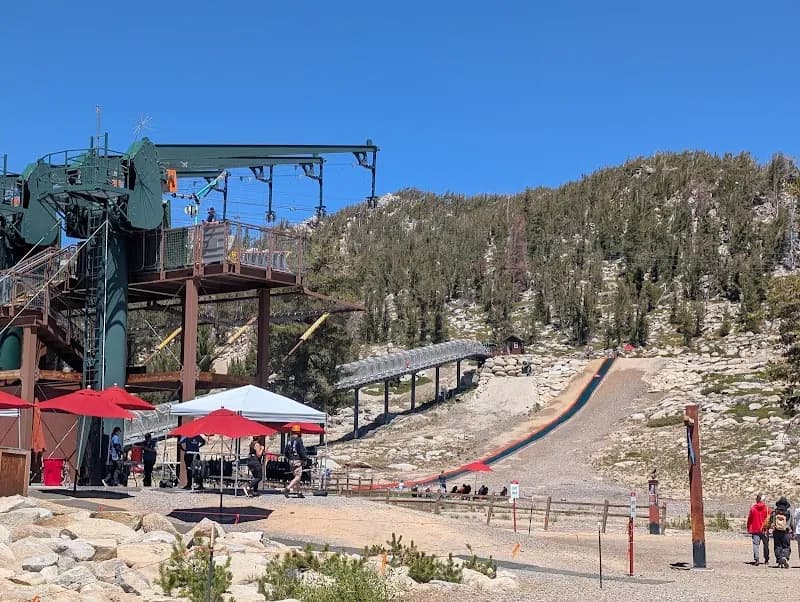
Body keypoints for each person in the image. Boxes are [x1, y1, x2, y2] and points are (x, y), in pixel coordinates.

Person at [768, 496, 794, 568]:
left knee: (777, 546)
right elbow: (792, 523)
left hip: (776, 531)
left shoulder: (774, 512)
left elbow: (770, 521)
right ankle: (784, 558)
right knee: (786, 546)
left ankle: (779, 559)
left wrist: (768, 528)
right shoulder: (788, 513)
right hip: (786, 532)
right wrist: (793, 531)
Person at [283, 425, 308, 498]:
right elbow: (301, 451)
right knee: (298, 476)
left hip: (291, 461)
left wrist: (289, 458)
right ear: (299, 432)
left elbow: (285, 452)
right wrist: (305, 459)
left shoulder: (288, 440)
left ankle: (299, 492)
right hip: (297, 460)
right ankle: (287, 488)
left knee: (297, 477)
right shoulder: (299, 440)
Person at [746, 494, 770, 565]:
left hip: (755, 529)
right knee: (766, 545)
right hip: (764, 530)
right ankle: (766, 559)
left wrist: (748, 527)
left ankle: (757, 559)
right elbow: (770, 519)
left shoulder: (753, 508)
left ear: (757, 499)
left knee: (756, 545)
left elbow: (749, 519)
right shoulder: (767, 509)